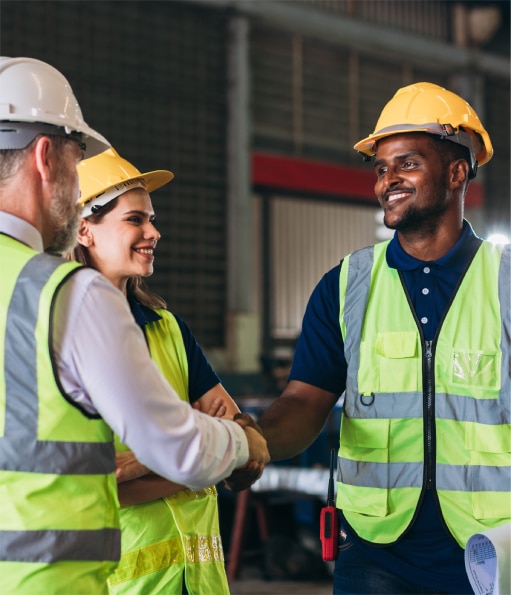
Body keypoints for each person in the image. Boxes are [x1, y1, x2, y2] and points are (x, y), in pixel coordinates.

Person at [0, 55, 268, 594]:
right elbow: (184, 451)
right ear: (46, 157)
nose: (153, 233)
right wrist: (241, 444)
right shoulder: (66, 296)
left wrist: (133, 463)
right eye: (77, 166)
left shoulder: (162, 325)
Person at [234, 82, 510, 594]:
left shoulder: (506, 284)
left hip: (492, 553)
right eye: (381, 168)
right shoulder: (346, 286)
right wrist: (252, 442)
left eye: (407, 163)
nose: (388, 181)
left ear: (457, 172)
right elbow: (303, 401)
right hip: (375, 553)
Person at [70, 147, 238, 594]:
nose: (154, 232)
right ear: (84, 230)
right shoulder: (58, 337)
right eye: (135, 220)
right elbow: (89, 486)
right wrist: (195, 450)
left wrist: (145, 461)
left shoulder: (168, 328)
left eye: (152, 219)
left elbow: (234, 436)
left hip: (200, 581)